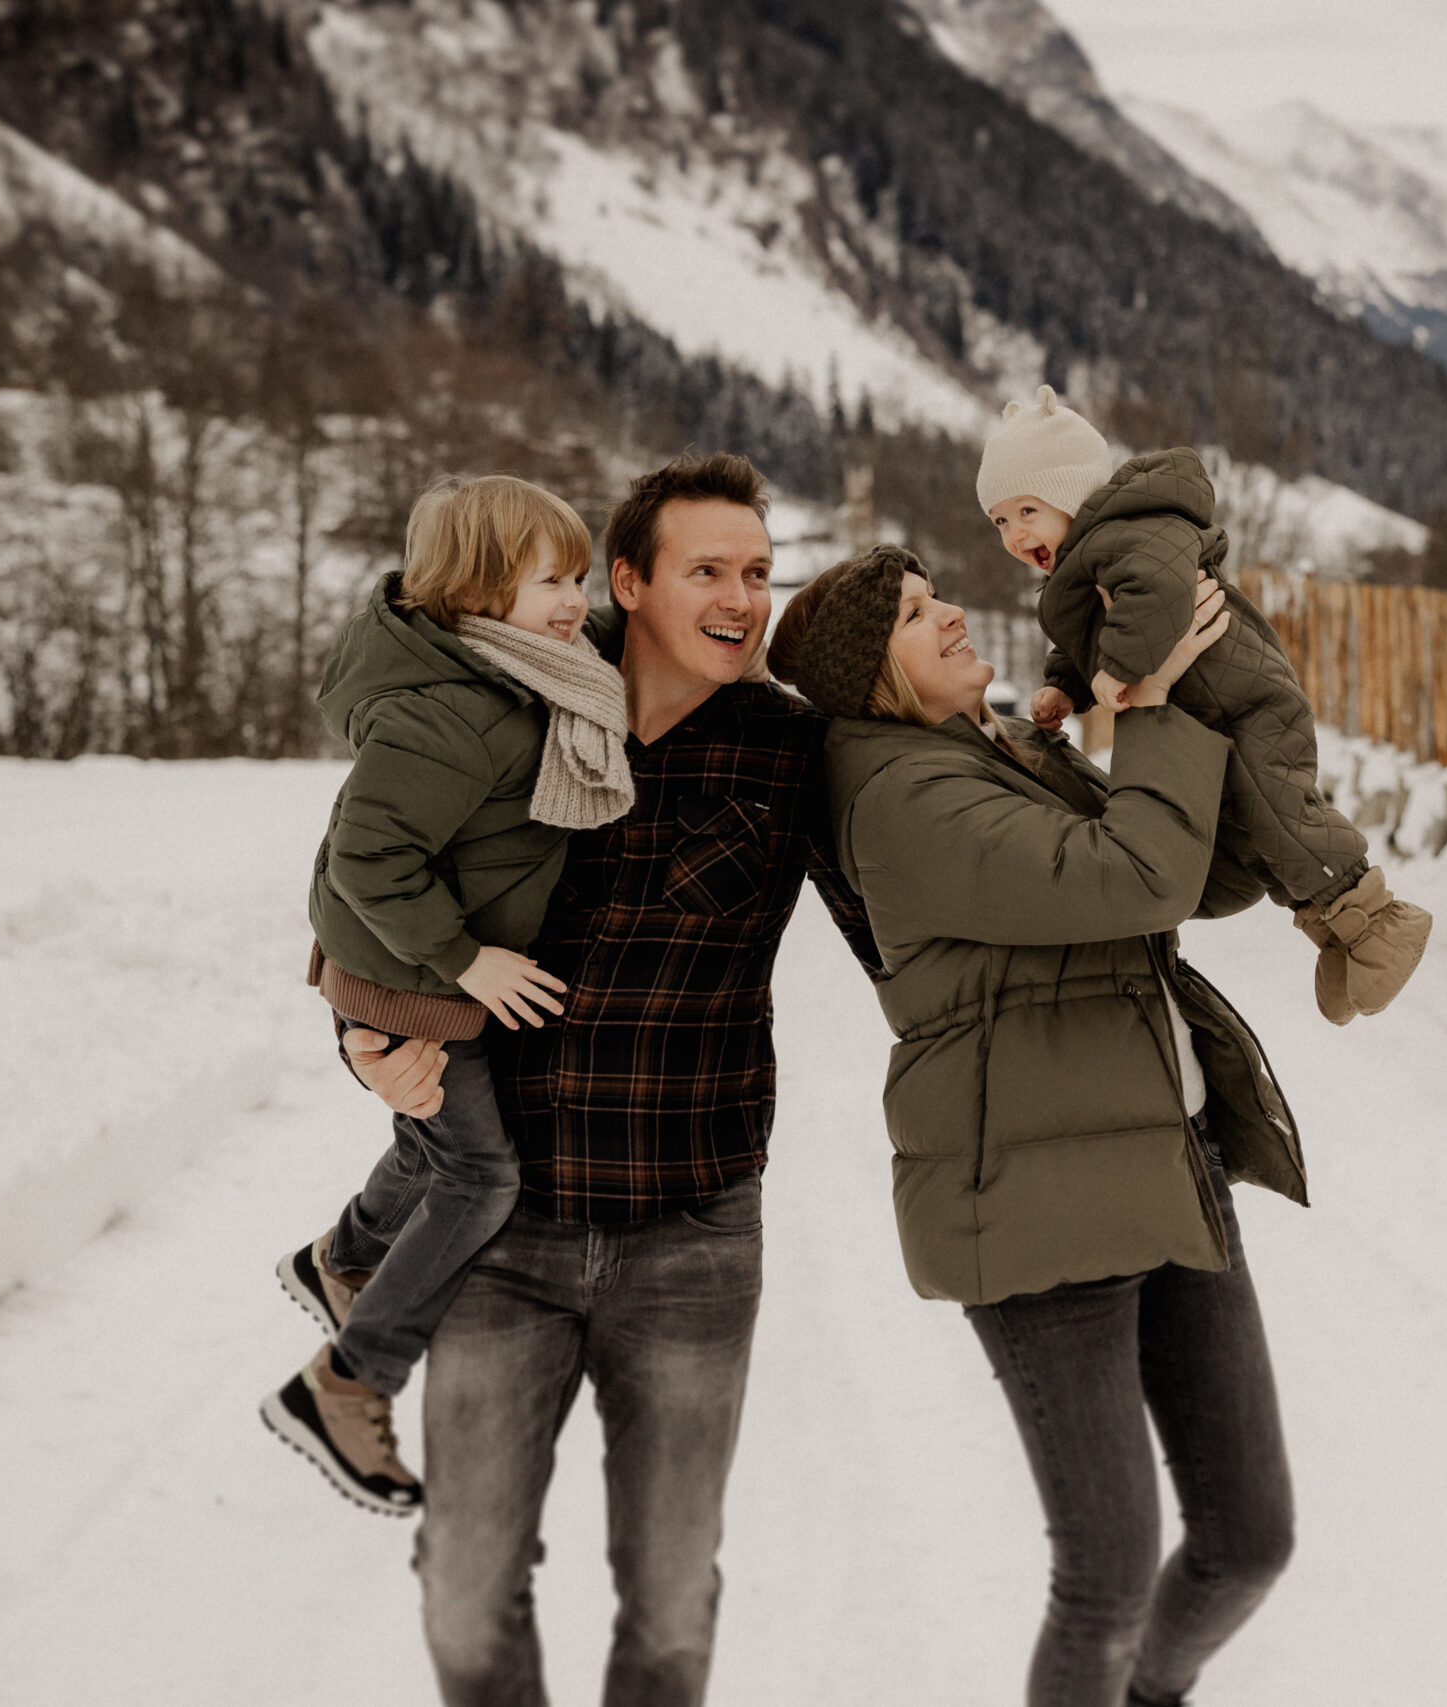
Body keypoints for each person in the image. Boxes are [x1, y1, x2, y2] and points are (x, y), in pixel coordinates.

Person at [340, 453, 881, 1706]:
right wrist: (369, 1042)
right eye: (709, 571)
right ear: (626, 582)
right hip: (500, 1234)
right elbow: (371, 895)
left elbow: (901, 937)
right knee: (464, 1590)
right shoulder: (502, 706)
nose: (744, 599)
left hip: (691, 1233)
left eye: (757, 571)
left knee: (673, 1596)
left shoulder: (790, 749)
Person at [768, 543, 1303, 1707]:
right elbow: (1132, 881)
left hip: (1167, 1159)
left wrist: (1206, 751)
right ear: (871, 675)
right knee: (1105, 1577)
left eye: (934, 591)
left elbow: (1181, 869)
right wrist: (1151, 716)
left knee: (1248, 1539)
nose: (953, 612)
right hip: (1030, 1211)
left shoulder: (985, 753)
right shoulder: (902, 795)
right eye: (917, 613)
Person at [266, 474, 628, 1516]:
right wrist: (466, 963)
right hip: (401, 968)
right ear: (474, 592)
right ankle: (346, 1382)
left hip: (410, 962)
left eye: (578, 575)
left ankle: (342, 1256)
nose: (576, 601)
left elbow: (612, 628)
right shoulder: (450, 715)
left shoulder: (513, 668)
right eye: (552, 581)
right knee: (478, 1174)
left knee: (439, 1143)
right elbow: (370, 862)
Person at [979, 384, 1433, 1026]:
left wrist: (1119, 668)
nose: (1014, 533)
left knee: (1280, 813)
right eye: (999, 521)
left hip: (1245, 702)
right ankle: (1336, 938)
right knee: (1251, 836)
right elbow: (1085, 637)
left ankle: (1379, 921)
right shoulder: (1078, 573)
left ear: (1073, 493)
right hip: (1207, 713)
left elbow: (1158, 594)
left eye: (1027, 510)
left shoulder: (1132, 533)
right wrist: (1069, 685)